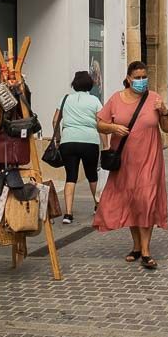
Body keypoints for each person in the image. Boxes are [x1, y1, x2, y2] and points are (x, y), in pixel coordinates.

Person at [93, 61, 168, 270]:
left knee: (146, 200)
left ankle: (146, 251)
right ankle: (136, 246)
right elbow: (99, 123)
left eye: (144, 77)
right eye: (137, 77)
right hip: (125, 162)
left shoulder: (154, 98)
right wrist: (113, 127)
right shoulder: (116, 99)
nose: (141, 81)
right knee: (132, 202)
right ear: (128, 78)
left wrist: (165, 112)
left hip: (150, 159)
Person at [51, 70, 106, 224]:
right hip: (90, 141)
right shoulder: (95, 101)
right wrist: (106, 145)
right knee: (92, 176)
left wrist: (58, 139)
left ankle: (68, 214)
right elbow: (101, 123)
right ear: (90, 84)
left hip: (68, 141)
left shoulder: (65, 99)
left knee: (71, 177)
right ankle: (98, 206)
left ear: (74, 84)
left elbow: (55, 120)